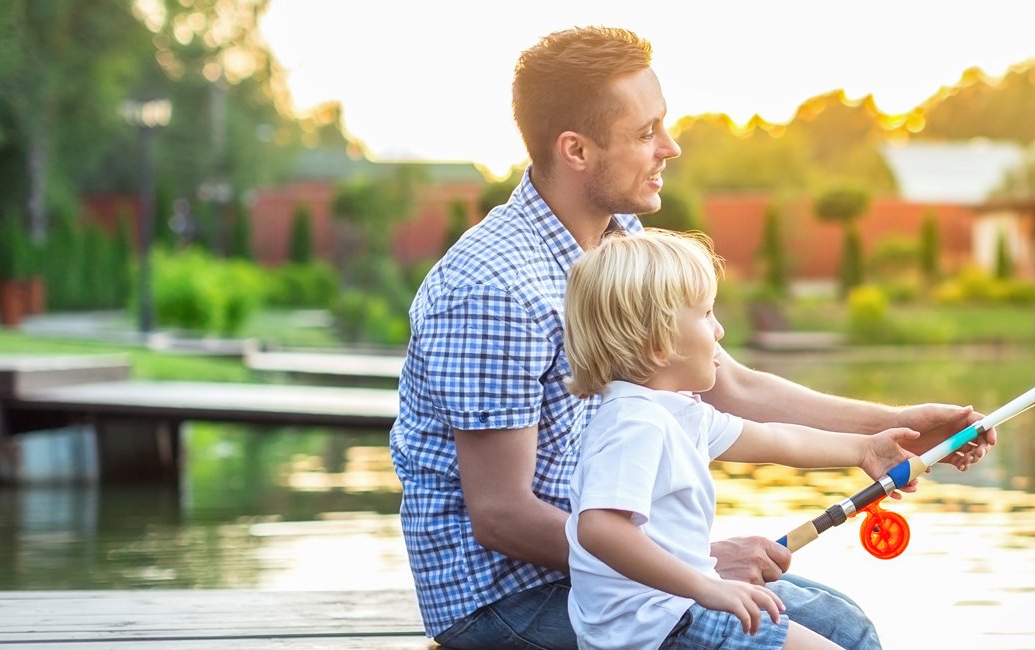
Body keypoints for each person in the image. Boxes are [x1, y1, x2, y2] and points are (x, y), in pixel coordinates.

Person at [388, 26, 996, 650]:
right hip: (507, 599)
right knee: (836, 631)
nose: (670, 148)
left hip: (609, 568)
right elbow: (501, 516)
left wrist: (889, 428)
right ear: (575, 150)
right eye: (645, 132)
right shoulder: (493, 289)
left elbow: (729, 385)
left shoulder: (618, 239)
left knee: (844, 617)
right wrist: (694, 567)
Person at [563, 229, 914, 650]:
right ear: (659, 343)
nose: (721, 330)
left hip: (680, 609)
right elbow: (600, 529)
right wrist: (706, 587)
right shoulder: (635, 423)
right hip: (659, 626)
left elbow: (776, 440)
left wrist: (864, 448)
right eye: (706, 314)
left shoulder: (677, 412)